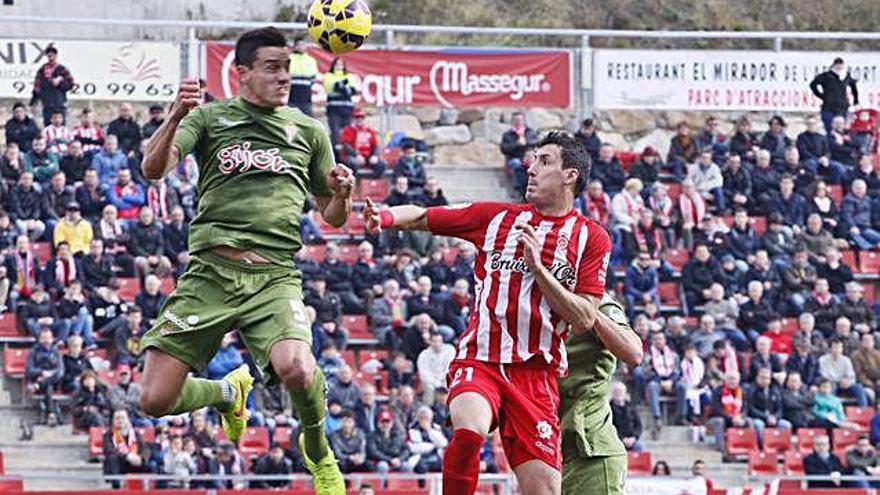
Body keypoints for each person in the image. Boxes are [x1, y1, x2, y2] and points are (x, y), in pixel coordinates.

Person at [365, 130, 642, 494]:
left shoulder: (592, 238)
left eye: (544, 161)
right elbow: (421, 216)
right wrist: (383, 216)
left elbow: (585, 317)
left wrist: (539, 270)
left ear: (570, 175)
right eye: (532, 160)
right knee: (468, 429)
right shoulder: (496, 218)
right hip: (482, 359)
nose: (531, 169)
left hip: (537, 376)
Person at [143, 26, 353, 488]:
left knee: (296, 366)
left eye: (289, 68)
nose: (285, 78)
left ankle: (318, 450)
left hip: (274, 276)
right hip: (210, 275)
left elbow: (333, 217)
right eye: (273, 68)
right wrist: (177, 115)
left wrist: (343, 194)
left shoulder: (309, 131)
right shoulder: (210, 118)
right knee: (154, 401)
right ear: (242, 73)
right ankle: (226, 392)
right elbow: (152, 169)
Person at [26, 327, 64, 425]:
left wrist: (49, 374)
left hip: (51, 380)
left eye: (48, 338)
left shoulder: (56, 352)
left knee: (58, 375)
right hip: (39, 379)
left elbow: (60, 370)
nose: (46, 341)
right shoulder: (33, 352)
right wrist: (42, 372)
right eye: (43, 338)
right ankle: (51, 414)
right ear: (39, 339)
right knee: (48, 386)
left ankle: (38, 385)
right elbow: (29, 371)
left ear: (52, 339)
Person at [102, 408, 149, 488]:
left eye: (123, 418)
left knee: (153, 463)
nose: (120, 420)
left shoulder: (135, 433)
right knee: (112, 458)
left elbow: (145, 449)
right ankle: (116, 488)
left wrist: (141, 459)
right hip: (119, 464)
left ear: (128, 419)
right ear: (113, 421)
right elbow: (109, 450)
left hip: (135, 463)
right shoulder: (108, 434)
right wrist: (127, 456)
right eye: (117, 418)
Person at [810, 57, 859, 134]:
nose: (839, 68)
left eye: (841, 66)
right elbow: (813, 85)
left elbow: (854, 87)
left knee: (840, 130)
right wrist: (821, 96)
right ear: (834, 66)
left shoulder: (846, 76)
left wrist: (856, 101)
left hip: (842, 107)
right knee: (830, 129)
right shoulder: (826, 76)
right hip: (828, 106)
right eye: (837, 66)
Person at [30, 44, 75, 126]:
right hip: (47, 105)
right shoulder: (42, 70)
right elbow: (36, 86)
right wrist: (35, 100)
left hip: (60, 104)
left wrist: (60, 82)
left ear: (56, 55)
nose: (50, 56)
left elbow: (71, 84)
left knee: (61, 128)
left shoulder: (62, 69)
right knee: (48, 127)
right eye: (49, 55)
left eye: (52, 54)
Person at [324, 57, 361, 151]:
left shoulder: (350, 76)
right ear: (333, 65)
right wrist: (344, 87)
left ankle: (346, 153)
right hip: (333, 110)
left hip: (347, 109)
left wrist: (341, 86)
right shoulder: (329, 76)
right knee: (335, 133)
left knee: (347, 133)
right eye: (337, 64)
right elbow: (331, 88)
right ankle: (335, 154)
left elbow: (353, 90)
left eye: (341, 64)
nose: (339, 66)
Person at [819, 338, 869, 406]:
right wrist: (839, 381)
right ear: (830, 349)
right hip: (831, 384)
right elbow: (824, 376)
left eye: (840, 348)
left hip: (845, 385)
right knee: (831, 386)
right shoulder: (823, 360)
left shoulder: (846, 360)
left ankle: (863, 410)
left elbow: (851, 376)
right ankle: (831, 409)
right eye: (835, 347)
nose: (838, 350)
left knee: (858, 387)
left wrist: (847, 381)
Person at [500, 112, 538, 197]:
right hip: (515, 158)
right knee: (517, 165)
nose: (518, 122)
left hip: (529, 158)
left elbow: (536, 144)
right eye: (516, 120)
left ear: (524, 120)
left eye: (520, 119)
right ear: (512, 121)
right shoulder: (507, 135)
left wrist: (526, 143)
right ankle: (518, 189)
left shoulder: (530, 132)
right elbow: (504, 149)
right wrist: (517, 144)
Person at [340, 108, 385, 179]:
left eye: (362, 117)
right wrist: (356, 155)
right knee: (353, 164)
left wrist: (375, 156)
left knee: (381, 165)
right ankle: (354, 184)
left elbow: (376, 145)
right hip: (353, 156)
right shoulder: (348, 130)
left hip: (367, 157)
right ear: (353, 119)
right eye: (357, 117)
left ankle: (369, 182)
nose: (359, 119)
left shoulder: (370, 130)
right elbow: (346, 146)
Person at [416, 332, 455, 405]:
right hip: (430, 381)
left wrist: (442, 381)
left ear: (442, 341)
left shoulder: (450, 350)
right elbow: (423, 373)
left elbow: (450, 367)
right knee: (429, 388)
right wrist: (435, 383)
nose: (437, 344)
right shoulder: (424, 355)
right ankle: (428, 410)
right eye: (434, 341)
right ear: (430, 342)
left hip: (446, 379)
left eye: (439, 341)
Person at [407, 406, 448, 474]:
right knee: (421, 467)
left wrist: (429, 430)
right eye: (422, 418)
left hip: (436, 456)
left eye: (427, 418)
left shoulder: (436, 428)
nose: (425, 420)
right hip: (420, 457)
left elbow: (443, 444)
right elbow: (412, 448)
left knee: (445, 466)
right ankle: (422, 485)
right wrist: (432, 446)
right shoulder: (412, 429)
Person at [9, 172, 46, 242]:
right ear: (21, 180)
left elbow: (37, 208)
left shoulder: (36, 193)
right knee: (22, 227)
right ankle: (23, 243)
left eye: (29, 179)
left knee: (41, 227)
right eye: (25, 178)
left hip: (32, 219)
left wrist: (33, 219)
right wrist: (25, 219)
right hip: (19, 217)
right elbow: (16, 207)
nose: (27, 181)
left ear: (32, 181)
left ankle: (29, 242)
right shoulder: (14, 191)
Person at [287, 35, 319, 115]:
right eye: (299, 45)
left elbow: (313, 79)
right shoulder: (288, 59)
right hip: (291, 98)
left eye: (303, 45)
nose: (301, 47)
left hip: (306, 99)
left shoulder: (311, 60)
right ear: (295, 47)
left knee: (308, 122)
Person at [609, 381, 644, 452]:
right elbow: (609, 428)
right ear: (612, 393)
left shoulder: (631, 407)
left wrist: (634, 438)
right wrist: (622, 439)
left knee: (640, 446)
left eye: (620, 391)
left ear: (624, 393)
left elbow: (638, 425)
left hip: (632, 439)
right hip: (616, 440)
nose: (618, 393)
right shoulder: (608, 408)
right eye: (616, 391)